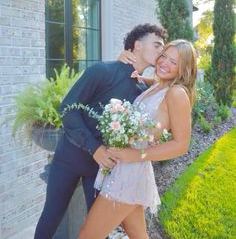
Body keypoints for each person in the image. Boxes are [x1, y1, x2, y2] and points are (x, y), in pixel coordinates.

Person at [34, 23, 167, 239]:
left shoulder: (142, 92)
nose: (161, 52)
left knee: (98, 228)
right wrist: (94, 147)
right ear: (137, 46)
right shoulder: (101, 71)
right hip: (69, 157)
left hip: (102, 170)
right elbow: (68, 109)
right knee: (51, 215)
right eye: (157, 45)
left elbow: (167, 88)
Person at [79, 39, 197, 239]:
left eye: (174, 62)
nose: (164, 63)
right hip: (124, 168)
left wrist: (134, 154)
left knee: (87, 236)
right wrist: (132, 71)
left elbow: (181, 145)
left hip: (130, 173)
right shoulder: (160, 86)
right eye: (164, 56)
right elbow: (152, 87)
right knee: (137, 235)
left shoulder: (177, 94)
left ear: (183, 69)